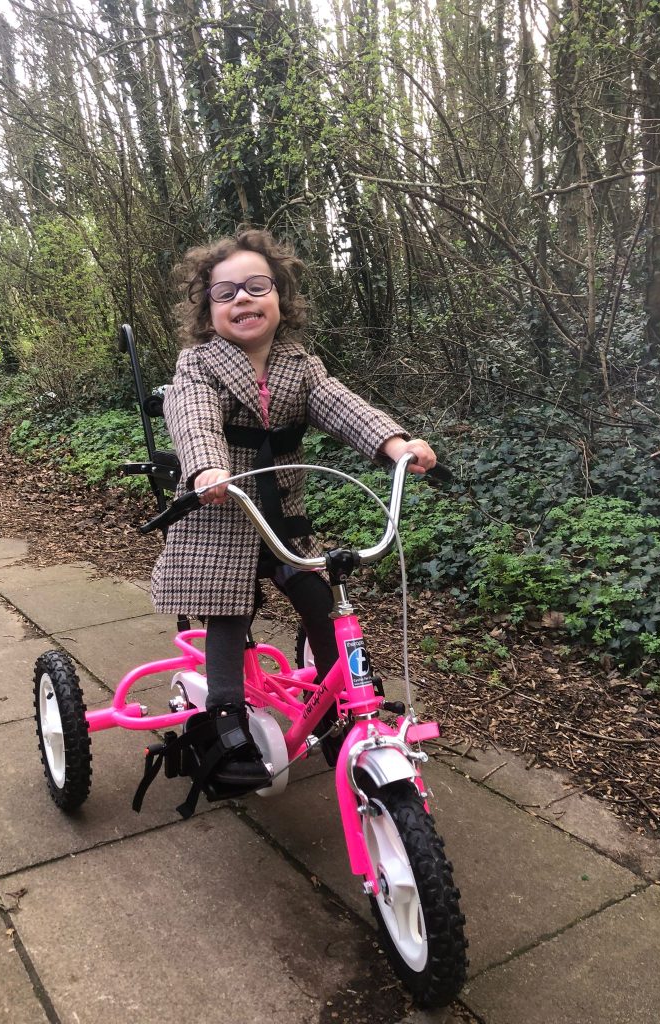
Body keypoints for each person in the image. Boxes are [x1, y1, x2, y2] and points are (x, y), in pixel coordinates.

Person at [150, 228, 436, 793]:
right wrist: (206, 466)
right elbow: (193, 417)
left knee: (321, 600)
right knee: (227, 612)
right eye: (225, 292)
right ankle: (225, 716)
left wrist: (394, 443)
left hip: (284, 521)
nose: (242, 300)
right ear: (208, 311)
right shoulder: (198, 365)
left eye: (256, 286)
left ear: (280, 296)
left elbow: (341, 405)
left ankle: (347, 707)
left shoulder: (300, 367)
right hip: (222, 517)